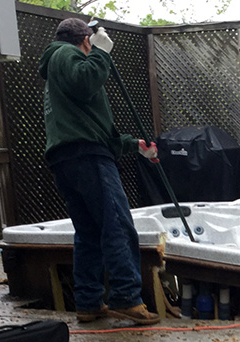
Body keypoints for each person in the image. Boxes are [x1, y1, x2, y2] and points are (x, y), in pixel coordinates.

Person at [39, 18, 159, 325]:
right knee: (117, 225)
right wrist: (102, 53)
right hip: (87, 157)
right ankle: (126, 298)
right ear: (85, 41)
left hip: (70, 159)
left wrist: (135, 146)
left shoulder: (57, 71)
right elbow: (86, 82)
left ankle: (89, 302)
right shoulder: (66, 54)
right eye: (91, 44)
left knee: (89, 234)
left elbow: (95, 129)